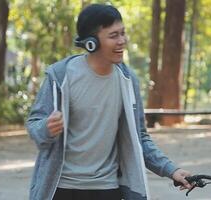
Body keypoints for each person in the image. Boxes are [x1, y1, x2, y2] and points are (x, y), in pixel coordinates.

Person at [26, 3, 191, 200]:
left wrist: (171, 170)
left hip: (107, 188)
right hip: (60, 187)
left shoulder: (127, 80)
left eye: (123, 33)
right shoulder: (60, 76)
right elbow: (35, 125)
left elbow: (140, 139)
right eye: (114, 36)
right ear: (91, 43)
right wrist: (46, 128)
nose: (122, 41)